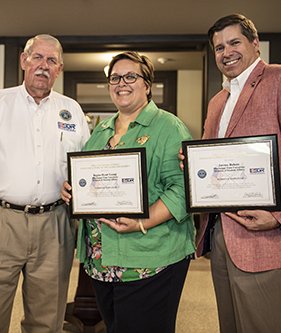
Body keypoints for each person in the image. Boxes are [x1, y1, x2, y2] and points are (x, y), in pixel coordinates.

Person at [189, 14, 281, 332]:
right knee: (232, 325)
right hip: (222, 233)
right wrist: (195, 167)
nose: (226, 53)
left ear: (255, 44)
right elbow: (216, 164)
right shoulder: (218, 102)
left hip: (269, 236)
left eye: (234, 42)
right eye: (218, 47)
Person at [0, 34, 90, 333]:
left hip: (54, 224)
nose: (44, 66)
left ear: (60, 68)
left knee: (48, 318)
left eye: (51, 61)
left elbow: (84, 166)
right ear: (24, 61)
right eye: (37, 58)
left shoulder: (72, 110)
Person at [61, 51, 196, 333]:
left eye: (130, 76)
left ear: (147, 84)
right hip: (101, 260)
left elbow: (184, 189)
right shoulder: (100, 132)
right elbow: (90, 180)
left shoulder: (168, 127)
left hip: (149, 258)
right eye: (115, 78)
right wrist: (72, 189)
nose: (121, 83)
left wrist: (141, 222)